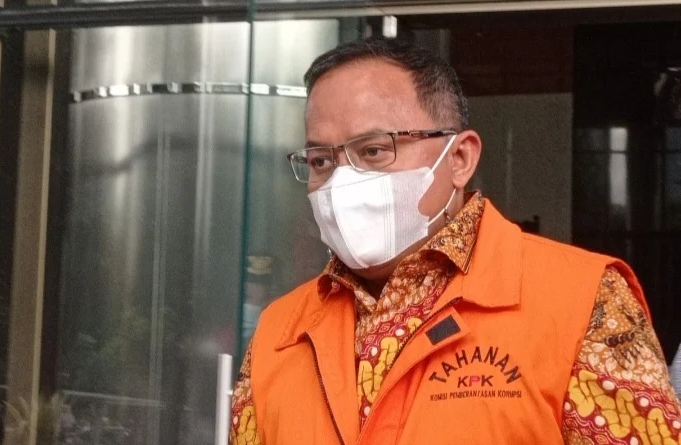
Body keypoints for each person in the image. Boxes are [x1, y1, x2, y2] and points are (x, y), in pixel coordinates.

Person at [229, 37, 681, 444]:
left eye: (373, 150)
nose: (340, 181)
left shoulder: (581, 302)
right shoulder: (278, 333)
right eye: (321, 161)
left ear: (460, 158)